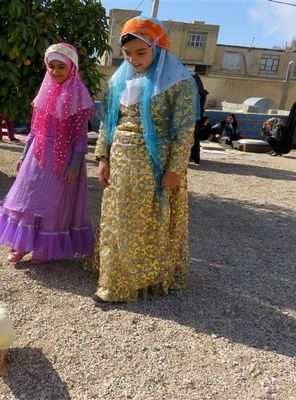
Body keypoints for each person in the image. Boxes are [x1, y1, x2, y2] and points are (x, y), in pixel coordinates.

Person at [93, 17, 198, 303]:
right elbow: (109, 121)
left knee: (145, 221)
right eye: (127, 53)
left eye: (141, 52)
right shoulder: (121, 79)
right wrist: (103, 156)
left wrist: (175, 169)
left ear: (157, 46)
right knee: (117, 217)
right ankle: (113, 275)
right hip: (120, 160)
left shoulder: (178, 83)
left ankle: (134, 281)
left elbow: (184, 129)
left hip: (154, 165)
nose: (133, 59)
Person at [0, 43, 95, 264]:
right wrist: (24, 156)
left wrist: (74, 164)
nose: (55, 72)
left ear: (72, 67)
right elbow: (35, 129)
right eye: (51, 66)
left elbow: (80, 136)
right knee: (27, 199)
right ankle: (21, 245)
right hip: (38, 157)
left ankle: (45, 247)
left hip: (63, 160)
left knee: (55, 204)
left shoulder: (79, 95)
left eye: (61, 67)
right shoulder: (45, 91)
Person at [189, 73, 210, 165]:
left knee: (193, 137)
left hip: (193, 117)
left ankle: (194, 157)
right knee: (194, 137)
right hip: (196, 117)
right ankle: (194, 157)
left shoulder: (191, 80)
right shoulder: (200, 92)